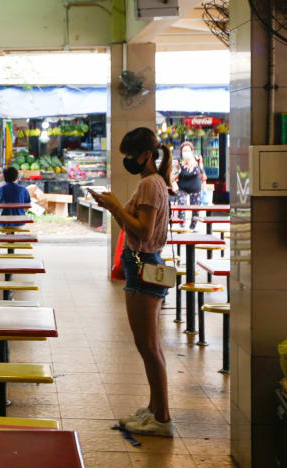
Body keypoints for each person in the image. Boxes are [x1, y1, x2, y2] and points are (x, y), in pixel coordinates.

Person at [89, 127, 173, 437]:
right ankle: (154, 409)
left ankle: (162, 418)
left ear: (147, 155)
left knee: (148, 346)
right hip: (143, 265)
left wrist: (114, 207)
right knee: (150, 345)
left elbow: (144, 232)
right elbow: (135, 224)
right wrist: (113, 206)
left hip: (143, 266)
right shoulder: (152, 183)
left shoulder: (151, 185)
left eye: (130, 155)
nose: (127, 160)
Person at [171, 142, 205, 230]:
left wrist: (203, 184)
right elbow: (172, 177)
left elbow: (203, 174)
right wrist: (174, 186)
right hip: (182, 188)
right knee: (181, 204)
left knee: (196, 208)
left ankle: (193, 226)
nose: (186, 152)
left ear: (192, 151)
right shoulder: (179, 163)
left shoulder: (198, 160)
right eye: (184, 150)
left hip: (196, 187)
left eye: (187, 150)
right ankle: (182, 225)